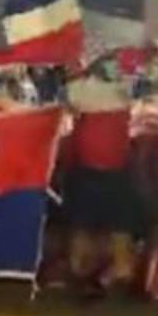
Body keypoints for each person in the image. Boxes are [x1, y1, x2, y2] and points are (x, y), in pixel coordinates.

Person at [63, 51, 139, 296]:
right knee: (109, 225)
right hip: (104, 168)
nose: (115, 66)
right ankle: (111, 273)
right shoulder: (115, 91)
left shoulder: (87, 90)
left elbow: (72, 93)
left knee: (91, 224)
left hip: (97, 168)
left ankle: (90, 273)